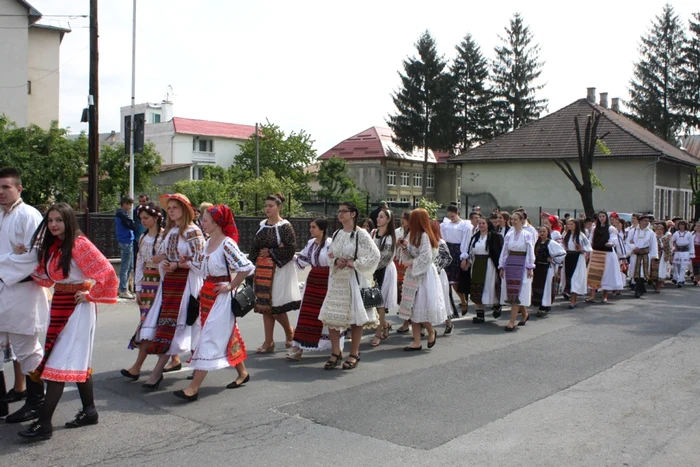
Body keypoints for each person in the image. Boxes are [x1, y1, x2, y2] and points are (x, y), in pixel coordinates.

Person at [18, 203, 118, 440]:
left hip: (78, 308)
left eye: (59, 220)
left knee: (59, 366)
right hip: (61, 304)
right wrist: (21, 257)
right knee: (76, 361)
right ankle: (90, 410)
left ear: (69, 221)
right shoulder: (55, 246)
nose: (53, 224)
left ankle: (44, 423)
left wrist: (90, 295)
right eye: (50, 220)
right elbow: (43, 276)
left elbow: (107, 273)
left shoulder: (79, 244)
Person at [173, 205, 253, 402]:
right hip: (207, 295)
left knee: (208, 338)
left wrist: (230, 286)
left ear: (217, 223)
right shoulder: (208, 242)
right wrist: (187, 261)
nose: (202, 223)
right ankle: (243, 373)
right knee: (226, 336)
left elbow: (246, 267)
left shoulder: (227, 244)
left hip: (221, 298)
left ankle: (193, 388)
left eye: (206, 220)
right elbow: (201, 268)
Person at [138, 193, 205, 389]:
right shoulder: (171, 231)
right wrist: (164, 261)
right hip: (170, 284)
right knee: (167, 325)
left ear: (185, 209)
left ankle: (160, 371)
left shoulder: (193, 232)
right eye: (169, 208)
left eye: (175, 207)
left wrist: (177, 265)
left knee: (185, 325)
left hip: (187, 284)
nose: (171, 210)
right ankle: (187, 364)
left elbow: (201, 263)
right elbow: (168, 256)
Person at [0, 168, 50, 424]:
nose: (1, 192)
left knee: (27, 349)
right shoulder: (1, 215)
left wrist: (4, 264)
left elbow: (37, 256)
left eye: (6, 187)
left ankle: (36, 402)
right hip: (3, 290)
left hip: (23, 291)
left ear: (19, 188)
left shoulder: (28, 215)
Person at [319, 201, 380, 369]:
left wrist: (356, 263)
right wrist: (336, 260)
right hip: (338, 280)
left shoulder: (362, 234)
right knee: (331, 316)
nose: (340, 214)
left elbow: (375, 255)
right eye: (339, 211)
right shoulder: (338, 233)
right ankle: (336, 352)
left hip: (353, 280)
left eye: (344, 211)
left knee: (355, 319)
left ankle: (354, 353)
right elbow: (330, 253)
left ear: (353, 214)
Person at [120, 202, 167, 381]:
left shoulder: (164, 237)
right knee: (150, 323)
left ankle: (137, 367)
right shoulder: (142, 237)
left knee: (151, 324)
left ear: (156, 218)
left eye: (146, 218)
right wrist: (138, 287)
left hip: (160, 284)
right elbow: (139, 262)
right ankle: (174, 358)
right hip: (147, 284)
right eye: (141, 219)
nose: (143, 221)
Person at [251, 194, 300, 353]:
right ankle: (268, 341)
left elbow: (290, 248)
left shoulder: (285, 226)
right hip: (262, 270)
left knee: (275, 305)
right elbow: (254, 247)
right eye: (266, 205)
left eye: (271, 205)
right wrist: (254, 261)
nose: (267, 208)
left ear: (278, 207)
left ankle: (289, 331)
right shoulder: (262, 225)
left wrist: (271, 252)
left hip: (279, 270)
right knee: (265, 305)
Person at [287, 218, 341, 360]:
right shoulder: (311, 243)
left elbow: (334, 262)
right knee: (307, 313)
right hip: (313, 280)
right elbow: (303, 260)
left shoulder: (330, 244)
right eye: (310, 227)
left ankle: (334, 347)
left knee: (326, 313)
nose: (311, 230)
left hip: (327, 281)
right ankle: (298, 347)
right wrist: (290, 255)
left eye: (313, 227)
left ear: (322, 229)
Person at [398, 209, 446, 351]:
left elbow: (426, 257)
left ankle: (431, 331)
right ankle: (417, 341)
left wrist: (411, 262)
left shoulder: (424, 235)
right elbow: (414, 253)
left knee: (419, 306)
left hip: (423, 275)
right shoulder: (415, 235)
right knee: (412, 308)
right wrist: (405, 248)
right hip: (415, 273)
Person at [498, 212, 535, 331]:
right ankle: (524, 314)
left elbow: (530, 251)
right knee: (513, 292)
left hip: (522, 264)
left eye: (515, 219)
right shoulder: (509, 234)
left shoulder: (527, 235)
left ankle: (511, 322)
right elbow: (504, 251)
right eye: (512, 219)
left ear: (522, 220)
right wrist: (502, 266)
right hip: (510, 263)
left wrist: (530, 267)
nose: (513, 221)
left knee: (519, 292)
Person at [465, 217, 503, 323]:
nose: (481, 225)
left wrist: (500, 267)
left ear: (488, 225)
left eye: (483, 223)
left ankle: (496, 305)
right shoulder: (475, 237)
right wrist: (468, 262)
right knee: (476, 289)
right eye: (479, 223)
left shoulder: (494, 236)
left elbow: (499, 252)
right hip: (477, 264)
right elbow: (471, 251)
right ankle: (480, 315)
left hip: (489, 264)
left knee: (490, 287)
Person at [369, 208, 398, 347]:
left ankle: (378, 333)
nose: (378, 219)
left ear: (388, 220)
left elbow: (386, 257)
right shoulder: (373, 233)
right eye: (378, 216)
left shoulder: (390, 237)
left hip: (384, 270)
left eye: (381, 217)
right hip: (372, 270)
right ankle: (385, 324)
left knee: (379, 302)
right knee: (373, 302)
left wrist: (371, 266)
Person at [440, 205, 472, 317]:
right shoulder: (445, 225)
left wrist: (464, 257)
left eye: (453, 216)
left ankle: (463, 301)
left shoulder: (464, 225)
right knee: (446, 281)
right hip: (447, 250)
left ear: (457, 213)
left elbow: (466, 241)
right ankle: (451, 308)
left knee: (454, 282)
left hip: (457, 251)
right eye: (449, 216)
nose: (451, 218)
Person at [587, 211, 623, 303]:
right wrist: (588, 250)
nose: (601, 218)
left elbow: (613, 239)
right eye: (600, 216)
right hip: (596, 253)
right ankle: (592, 296)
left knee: (605, 275)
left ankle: (604, 296)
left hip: (607, 254)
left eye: (603, 216)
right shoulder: (594, 228)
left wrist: (610, 243)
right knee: (594, 274)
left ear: (606, 217)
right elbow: (590, 240)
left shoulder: (611, 228)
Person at [531, 226, 566, 316]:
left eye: (544, 231)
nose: (542, 233)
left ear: (547, 233)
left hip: (547, 268)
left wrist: (553, 260)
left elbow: (562, 253)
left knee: (546, 288)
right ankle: (540, 304)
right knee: (537, 286)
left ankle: (545, 306)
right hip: (538, 268)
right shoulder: (537, 243)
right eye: (540, 231)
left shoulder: (551, 243)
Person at [430, 220, 455, 335]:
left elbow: (448, 258)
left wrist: (437, 268)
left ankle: (448, 323)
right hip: (429, 275)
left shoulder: (440, 242)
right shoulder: (426, 242)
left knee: (442, 298)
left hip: (439, 275)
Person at [561, 219, 592, 309]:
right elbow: (563, 246)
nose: (570, 226)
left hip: (578, 257)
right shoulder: (566, 235)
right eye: (568, 224)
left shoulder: (581, 235)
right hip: (568, 257)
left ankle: (572, 301)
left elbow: (588, 248)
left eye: (572, 224)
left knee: (575, 279)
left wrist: (581, 248)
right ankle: (574, 299)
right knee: (569, 278)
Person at [629, 215, 658, 298]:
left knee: (642, 272)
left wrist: (654, 256)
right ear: (640, 221)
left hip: (645, 255)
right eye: (644, 221)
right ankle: (641, 288)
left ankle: (638, 290)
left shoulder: (650, 232)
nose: (646, 222)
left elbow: (653, 245)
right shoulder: (633, 231)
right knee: (635, 271)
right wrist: (633, 248)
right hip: (635, 254)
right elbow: (627, 241)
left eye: (647, 221)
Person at [115, 196, 137, 299]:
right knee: (125, 267)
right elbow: (130, 225)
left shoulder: (122, 214)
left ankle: (124, 288)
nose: (130, 207)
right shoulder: (121, 214)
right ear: (124, 203)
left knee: (130, 266)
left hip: (128, 240)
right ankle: (123, 289)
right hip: (125, 241)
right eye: (129, 204)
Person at [650, 222, 672, 292]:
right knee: (654, 270)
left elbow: (668, 248)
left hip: (662, 256)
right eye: (657, 229)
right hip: (655, 256)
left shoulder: (665, 238)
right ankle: (654, 282)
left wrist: (668, 257)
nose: (659, 231)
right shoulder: (653, 237)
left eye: (661, 229)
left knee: (661, 270)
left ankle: (658, 285)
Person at [671, 220, 694, 287]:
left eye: (683, 225)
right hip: (678, 251)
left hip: (685, 252)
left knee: (683, 267)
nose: (681, 226)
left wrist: (691, 253)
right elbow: (672, 241)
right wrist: (673, 248)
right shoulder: (676, 233)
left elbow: (691, 244)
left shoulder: (688, 234)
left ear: (685, 226)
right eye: (680, 225)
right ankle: (677, 278)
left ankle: (680, 280)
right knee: (676, 266)